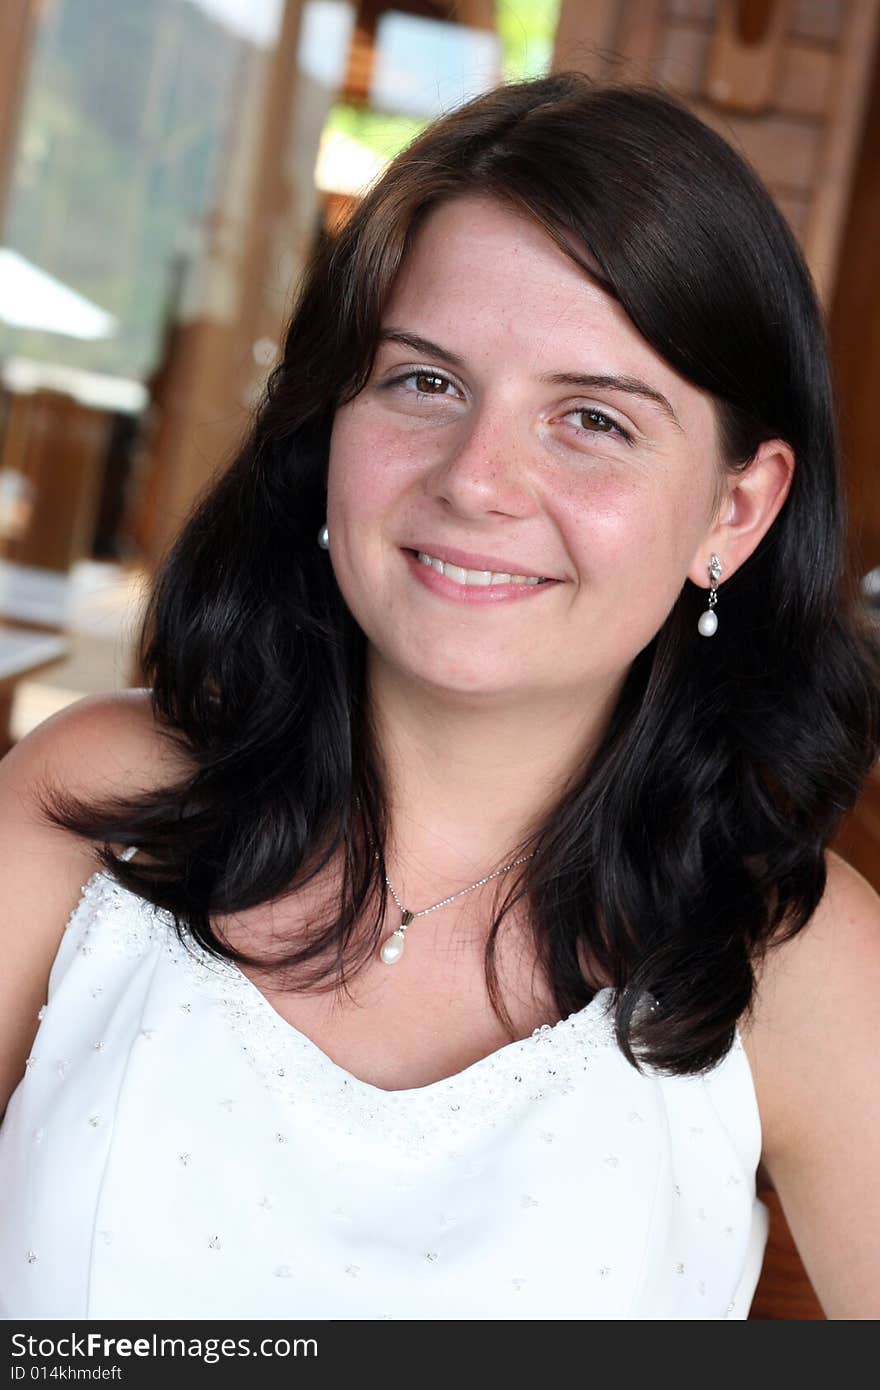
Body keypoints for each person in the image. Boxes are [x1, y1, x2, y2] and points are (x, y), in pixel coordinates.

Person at [1, 72, 879, 1321]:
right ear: (330, 417)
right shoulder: (88, 802)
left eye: (590, 418)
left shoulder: (794, 956)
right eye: (424, 382)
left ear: (733, 510)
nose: (478, 481)